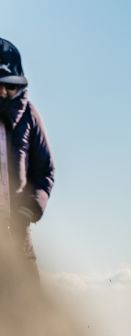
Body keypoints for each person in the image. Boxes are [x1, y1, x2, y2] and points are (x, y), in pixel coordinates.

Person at [0, 39, 54, 275]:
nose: (3, 92)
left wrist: (29, 208)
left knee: (27, 308)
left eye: (9, 86)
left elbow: (45, 171)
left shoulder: (29, 116)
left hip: (19, 239)